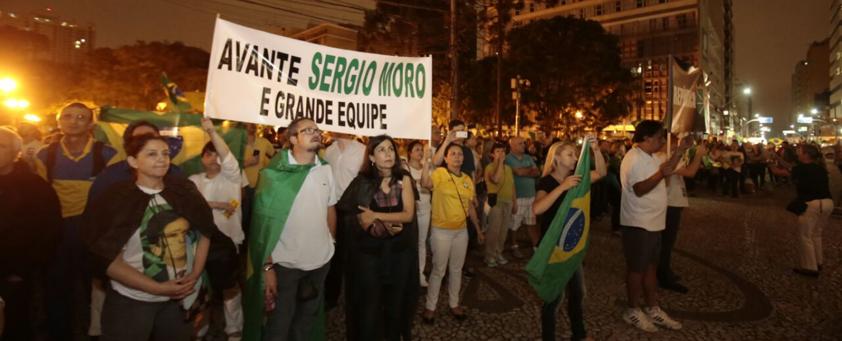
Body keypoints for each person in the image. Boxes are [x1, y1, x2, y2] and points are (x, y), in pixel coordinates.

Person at [81, 134, 216, 341]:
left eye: (165, 153)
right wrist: (157, 288)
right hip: (132, 301)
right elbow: (105, 256)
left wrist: (195, 274)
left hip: (178, 300)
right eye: (152, 154)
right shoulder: (116, 199)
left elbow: (206, 231)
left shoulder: (184, 192)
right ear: (133, 161)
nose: (162, 159)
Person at [245, 117, 337, 341]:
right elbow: (261, 227)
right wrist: (268, 268)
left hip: (319, 263)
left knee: (305, 325)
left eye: (317, 129)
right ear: (293, 138)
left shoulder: (325, 170)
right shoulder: (273, 175)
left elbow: (330, 209)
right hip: (285, 266)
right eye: (308, 130)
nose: (316, 133)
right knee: (278, 327)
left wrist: (331, 243)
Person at [33, 102, 118, 340]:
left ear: (91, 123)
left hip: (92, 230)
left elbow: (113, 197)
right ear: (59, 122)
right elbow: (42, 197)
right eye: (67, 116)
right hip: (58, 231)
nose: (73, 121)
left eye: (81, 117)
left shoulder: (107, 154)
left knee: (97, 286)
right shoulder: (44, 155)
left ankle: (97, 330)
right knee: (57, 288)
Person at [338, 135, 419, 340]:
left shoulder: (404, 179)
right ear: (372, 157)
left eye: (391, 149)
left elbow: (408, 215)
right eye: (381, 150)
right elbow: (356, 217)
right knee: (370, 304)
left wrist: (376, 215)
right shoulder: (362, 182)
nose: (388, 154)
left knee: (395, 303)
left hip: (399, 254)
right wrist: (375, 225)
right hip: (370, 256)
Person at [532, 139, 606, 341]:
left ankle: (579, 335)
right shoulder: (546, 181)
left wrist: (596, 150)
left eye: (575, 154)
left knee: (578, 293)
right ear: (556, 158)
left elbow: (600, 173)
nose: (575, 158)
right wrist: (562, 187)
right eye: (570, 155)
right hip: (551, 248)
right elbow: (537, 208)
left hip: (570, 246)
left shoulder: (577, 179)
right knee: (554, 298)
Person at [619, 120, 687, 332]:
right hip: (639, 223)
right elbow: (639, 188)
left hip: (654, 222)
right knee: (637, 269)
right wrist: (660, 174)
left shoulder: (650, 156)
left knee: (650, 267)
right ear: (647, 138)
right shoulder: (633, 158)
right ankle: (632, 309)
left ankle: (652, 308)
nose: (661, 141)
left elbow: (667, 167)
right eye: (659, 137)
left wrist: (682, 149)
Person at [0, 126, 62, 340]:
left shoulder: (35, 187)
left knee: (15, 325)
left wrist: (23, 269)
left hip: (15, 274)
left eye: (1, 146)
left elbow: (49, 231)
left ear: (17, 152)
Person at [189, 118, 248, 338]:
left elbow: (230, 161)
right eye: (208, 154)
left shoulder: (232, 177)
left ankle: (234, 329)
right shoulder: (194, 180)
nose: (214, 157)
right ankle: (200, 327)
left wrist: (213, 132)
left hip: (228, 242)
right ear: (202, 159)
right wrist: (216, 205)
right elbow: (190, 207)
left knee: (229, 289)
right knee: (198, 287)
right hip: (198, 244)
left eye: (217, 154)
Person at [421, 143, 483, 323]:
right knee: (439, 270)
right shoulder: (440, 174)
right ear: (446, 158)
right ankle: (430, 307)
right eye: (453, 154)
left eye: (460, 154)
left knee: (456, 269)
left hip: (461, 232)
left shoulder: (467, 179)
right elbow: (425, 184)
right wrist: (426, 164)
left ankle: (454, 303)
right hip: (441, 231)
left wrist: (478, 229)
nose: (457, 157)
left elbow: (470, 206)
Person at [656, 135, 707, 294]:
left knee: (668, 241)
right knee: (665, 242)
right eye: (675, 139)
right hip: (669, 203)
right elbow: (690, 172)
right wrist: (698, 155)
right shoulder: (664, 158)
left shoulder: (670, 156)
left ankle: (665, 270)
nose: (678, 143)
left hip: (675, 201)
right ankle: (662, 275)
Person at [323, 132, 366, 310]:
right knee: (333, 255)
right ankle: (330, 297)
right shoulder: (328, 151)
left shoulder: (362, 150)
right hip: (332, 209)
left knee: (356, 256)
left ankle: (356, 299)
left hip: (354, 211)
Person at [778, 144, 833, 277]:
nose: (797, 153)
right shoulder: (821, 168)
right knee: (816, 234)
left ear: (806, 155)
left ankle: (810, 267)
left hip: (811, 204)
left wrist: (771, 165)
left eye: (800, 151)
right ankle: (818, 262)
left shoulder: (801, 168)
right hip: (827, 203)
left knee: (805, 236)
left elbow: (784, 172)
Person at [483, 142, 517, 267]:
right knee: (494, 230)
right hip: (495, 201)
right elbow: (496, 179)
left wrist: (515, 202)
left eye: (503, 151)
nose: (501, 154)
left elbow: (512, 186)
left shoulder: (508, 169)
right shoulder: (489, 167)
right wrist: (500, 163)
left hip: (508, 201)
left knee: (503, 231)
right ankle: (489, 255)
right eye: (497, 151)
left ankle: (498, 252)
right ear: (492, 154)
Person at [507, 137, 541, 258]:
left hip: (531, 195)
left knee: (531, 222)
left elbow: (537, 172)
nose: (523, 145)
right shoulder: (508, 159)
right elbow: (518, 173)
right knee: (514, 223)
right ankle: (514, 245)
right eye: (520, 143)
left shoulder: (527, 157)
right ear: (512, 146)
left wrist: (524, 171)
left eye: (524, 143)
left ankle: (536, 246)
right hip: (518, 196)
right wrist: (529, 170)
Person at [405, 140, 432, 287]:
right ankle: (407, 271)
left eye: (421, 150)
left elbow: (429, 185)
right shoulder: (404, 168)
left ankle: (420, 273)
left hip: (425, 208)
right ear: (410, 152)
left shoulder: (427, 168)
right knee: (409, 242)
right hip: (409, 210)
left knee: (421, 242)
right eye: (417, 149)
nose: (420, 152)